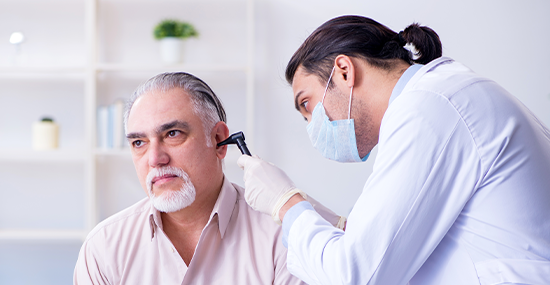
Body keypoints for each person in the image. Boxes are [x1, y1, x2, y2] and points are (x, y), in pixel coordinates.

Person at [237, 15, 550, 284]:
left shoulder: (428, 108)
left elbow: (357, 275)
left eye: (307, 104)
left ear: (344, 71)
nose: (311, 126)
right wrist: (332, 226)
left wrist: (286, 204)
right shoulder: (443, 94)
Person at [73, 72, 343, 284]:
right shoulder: (104, 248)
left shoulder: (283, 235)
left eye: (172, 134)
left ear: (218, 140)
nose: (155, 159)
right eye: (139, 143)